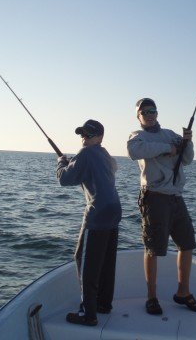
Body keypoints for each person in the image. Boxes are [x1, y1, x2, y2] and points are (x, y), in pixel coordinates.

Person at [127, 98, 196, 315]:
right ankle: (151, 297)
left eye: (152, 110)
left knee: (187, 244)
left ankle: (183, 292)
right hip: (154, 197)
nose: (149, 114)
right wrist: (167, 149)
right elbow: (134, 151)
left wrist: (187, 142)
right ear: (138, 116)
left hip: (176, 197)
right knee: (153, 249)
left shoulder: (171, 133)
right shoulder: (137, 137)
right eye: (145, 112)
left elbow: (187, 159)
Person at [57, 119, 121, 326]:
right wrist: (72, 164)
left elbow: (64, 179)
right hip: (114, 211)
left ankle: (88, 314)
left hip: (98, 213)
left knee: (85, 262)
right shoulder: (105, 154)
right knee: (106, 261)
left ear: (100, 136)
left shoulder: (85, 153)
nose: (84, 137)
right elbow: (93, 171)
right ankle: (104, 304)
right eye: (83, 134)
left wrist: (61, 162)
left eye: (89, 134)